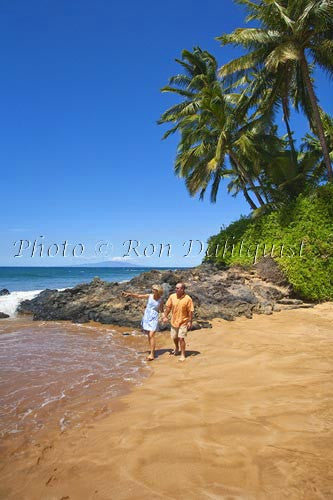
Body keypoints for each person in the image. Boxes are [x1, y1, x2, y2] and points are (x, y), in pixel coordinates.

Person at [122, 285, 164, 361]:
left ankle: (152, 354)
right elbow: (139, 296)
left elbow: (161, 310)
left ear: (158, 291)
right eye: (152, 289)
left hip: (154, 317)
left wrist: (164, 317)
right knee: (149, 335)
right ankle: (152, 350)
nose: (152, 290)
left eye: (154, 289)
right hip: (147, 317)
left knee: (151, 335)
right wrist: (130, 294)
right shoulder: (149, 296)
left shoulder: (160, 300)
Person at [162, 282, 194, 362]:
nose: (176, 289)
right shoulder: (172, 296)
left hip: (184, 321)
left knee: (181, 338)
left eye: (177, 288)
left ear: (182, 289)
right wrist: (165, 316)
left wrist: (190, 321)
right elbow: (168, 308)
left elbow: (190, 311)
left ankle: (182, 354)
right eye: (176, 288)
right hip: (174, 321)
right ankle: (176, 348)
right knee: (174, 337)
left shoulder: (188, 298)